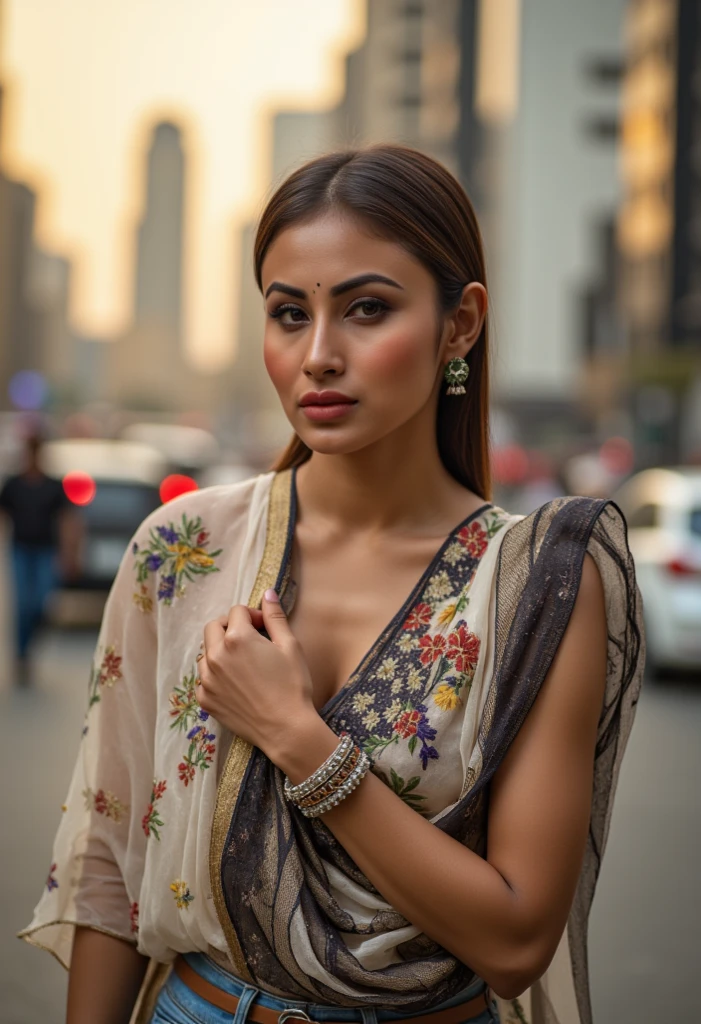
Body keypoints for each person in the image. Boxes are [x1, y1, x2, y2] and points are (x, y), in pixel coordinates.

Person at [20, 145, 644, 1024]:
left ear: (459, 324)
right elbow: (108, 866)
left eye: (366, 309)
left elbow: (513, 941)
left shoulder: (537, 582)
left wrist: (298, 738)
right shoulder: (185, 548)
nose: (317, 354)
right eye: (287, 313)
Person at [0, 430, 82, 685]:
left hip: (46, 550)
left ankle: (29, 645)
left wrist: (70, 553)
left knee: (41, 603)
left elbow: (68, 520)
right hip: (21, 550)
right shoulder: (13, 484)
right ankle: (22, 655)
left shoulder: (52, 485)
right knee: (23, 604)